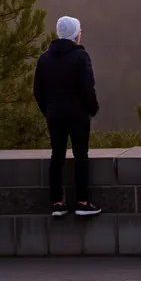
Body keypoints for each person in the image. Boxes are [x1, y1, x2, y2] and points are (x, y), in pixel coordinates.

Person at [34, 15, 101, 217]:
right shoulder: (81, 57)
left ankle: (57, 204)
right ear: (74, 34)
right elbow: (88, 88)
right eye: (79, 31)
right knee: (81, 156)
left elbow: (38, 90)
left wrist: (48, 110)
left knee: (57, 156)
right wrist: (92, 109)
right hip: (78, 115)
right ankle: (82, 202)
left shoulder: (44, 58)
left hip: (54, 115)